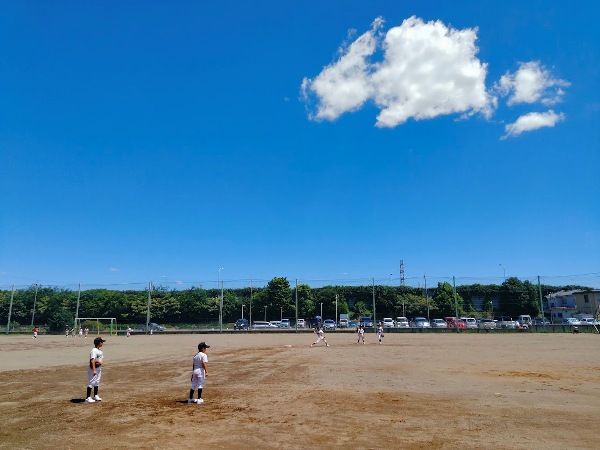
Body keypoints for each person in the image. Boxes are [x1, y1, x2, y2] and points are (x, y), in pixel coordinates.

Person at [85, 337, 106, 403]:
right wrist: (94, 370)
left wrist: (101, 362)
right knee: (92, 382)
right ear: (99, 343)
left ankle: (95, 395)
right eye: (101, 342)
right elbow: (92, 360)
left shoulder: (100, 351)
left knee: (97, 382)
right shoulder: (94, 350)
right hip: (93, 368)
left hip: (98, 368)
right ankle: (88, 397)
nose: (102, 343)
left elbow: (101, 359)